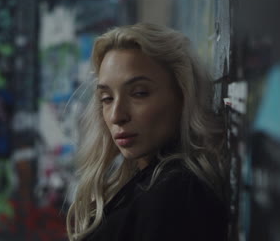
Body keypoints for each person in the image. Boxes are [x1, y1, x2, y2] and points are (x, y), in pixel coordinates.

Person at [66, 23, 228, 241]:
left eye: (139, 93)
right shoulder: (148, 183)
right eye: (107, 98)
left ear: (183, 95)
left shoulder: (176, 196)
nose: (116, 115)